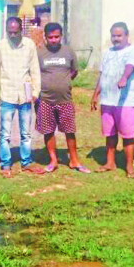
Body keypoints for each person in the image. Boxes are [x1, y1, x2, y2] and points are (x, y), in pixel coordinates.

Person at [0, 16, 44, 178]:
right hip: (7, 95)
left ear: (21, 30)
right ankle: (5, 162)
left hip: (25, 96)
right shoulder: (1, 46)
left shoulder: (29, 45)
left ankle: (26, 162)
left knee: (26, 133)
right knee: (5, 133)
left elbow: (35, 71)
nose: (12, 35)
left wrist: (35, 92)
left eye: (15, 32)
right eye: (9, 32)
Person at [36, 22, 90, 173]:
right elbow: (33, 73)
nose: (54, 40)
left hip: (65, 99)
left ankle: (74, 160)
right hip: (45, 99)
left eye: (56, 37)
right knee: (48, 131)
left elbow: (74, 71)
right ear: (45, 37)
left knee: (69, 131)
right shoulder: (39, 53)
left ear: (61, 36)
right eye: (50, 37)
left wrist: (63, 82)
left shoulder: (68, 51)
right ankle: (53, 161)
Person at [91, 22, 134, 178]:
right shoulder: (107, 53)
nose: (116, 39)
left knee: (127, 136)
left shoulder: (133, 52)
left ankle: (129, 167)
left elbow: (129, 67)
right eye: (113, 36)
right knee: (110, 134)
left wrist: (124, 78)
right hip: (108, 100)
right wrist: (95, 94)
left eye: (119, 35)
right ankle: (110, 163)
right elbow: (102, 75)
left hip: (126, 102)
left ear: (127, 35)